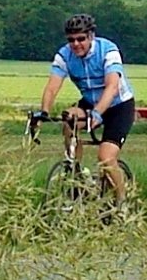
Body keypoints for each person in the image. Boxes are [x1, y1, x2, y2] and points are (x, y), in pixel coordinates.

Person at [35, 12, 135, 201]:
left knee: (105, 157)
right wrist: (44, 112)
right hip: (90, 102)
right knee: (68, 119)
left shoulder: (108, 50)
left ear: (91, 36)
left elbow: (112, 86)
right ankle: (77, 176)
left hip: (118, 105)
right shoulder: (64, 55)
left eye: (81, 38)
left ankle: (123, 201)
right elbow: (51, 88)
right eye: (71, 40)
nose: (76, 44)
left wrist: (97, 114)